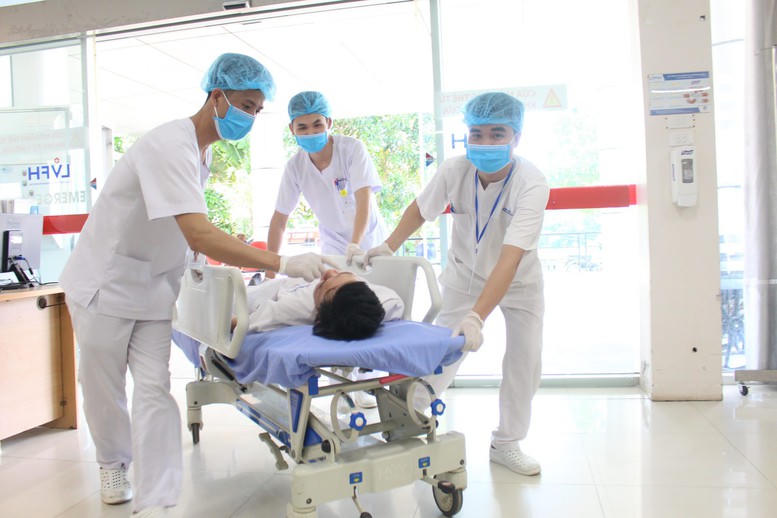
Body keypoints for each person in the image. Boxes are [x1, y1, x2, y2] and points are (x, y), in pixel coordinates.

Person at [58, 53, 333, 518]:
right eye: (245, 105)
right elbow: (198, 232)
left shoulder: (201, 155)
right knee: (103, 385)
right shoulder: (170, 144)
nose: (250, 117)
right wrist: (282, 262)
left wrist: (206, 278)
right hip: (105, 283)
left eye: (257, 110)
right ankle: (113, 464)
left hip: (153, 289)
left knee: (154, 386)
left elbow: (180, 236)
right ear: (216, 96)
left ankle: (158, 496)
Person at [364, 92, 549, 476]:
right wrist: (388, 245)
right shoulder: (455, 170)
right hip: (465, 275)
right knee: (444, 348)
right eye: (477, 133)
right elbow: (420, 209)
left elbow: (511, 256)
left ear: (516, 137)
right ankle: (410, 416)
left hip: (518, 281)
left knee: (525, 359)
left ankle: (507, 443)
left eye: (497, 133)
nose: (485, 142)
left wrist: (477, 317)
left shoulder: (532, 182)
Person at [266, 91, 387, 266]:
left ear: (328, 123)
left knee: (375, 281)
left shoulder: (351, 150)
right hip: (333, 245)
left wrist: (355, 244)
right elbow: (279, 220)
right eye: (302, 128)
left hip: (369, 239)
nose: (311, 132)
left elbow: (364, 201)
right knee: (336, 282)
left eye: (317, 125)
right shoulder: (295, 167)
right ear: (292, 129)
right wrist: (270, 270)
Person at [234, 268, 404, 339]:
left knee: (238, 296)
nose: (329, 272)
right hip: (288, 282)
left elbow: (243, 324)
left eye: (322, 285)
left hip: (269, 292)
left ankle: (255, 284)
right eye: (341, 275)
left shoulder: (294, 309)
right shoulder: (389, 301)